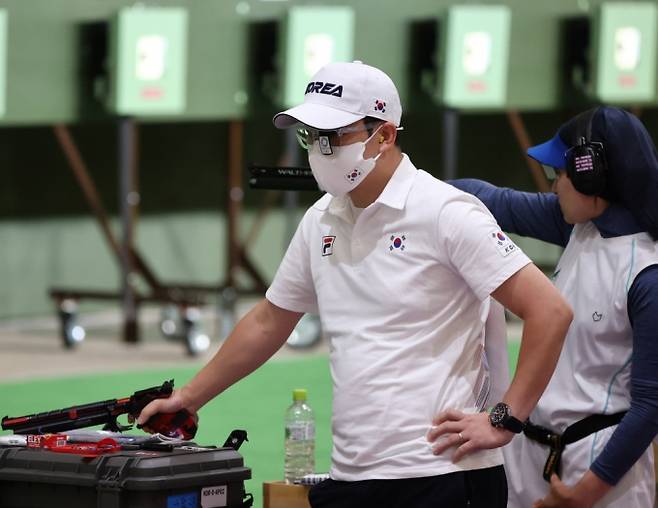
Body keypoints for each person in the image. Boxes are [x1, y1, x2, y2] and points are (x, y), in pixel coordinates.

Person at [136, 61, 572, 507]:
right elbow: (270, 319)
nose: (319, 151)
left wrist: (505, 419)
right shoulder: (320, 219)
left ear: (384, 135)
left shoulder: (446, 211)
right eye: (310, 136)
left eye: (333, 137)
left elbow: (550, 311)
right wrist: (190, 397)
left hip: (441, 474)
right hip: (353, 473)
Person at [445, 106, 658, 508]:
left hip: (602, 475)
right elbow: (490, 199)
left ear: (591, 174)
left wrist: (584, 493)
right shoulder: (580, 226)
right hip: (533, 455)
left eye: (558, 173)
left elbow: (650, 406)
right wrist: (402, 185)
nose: (554, 186)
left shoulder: (648, 274)